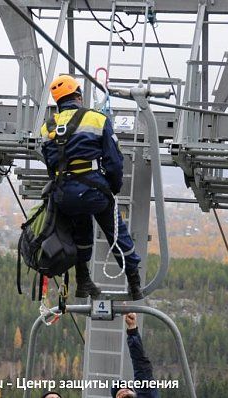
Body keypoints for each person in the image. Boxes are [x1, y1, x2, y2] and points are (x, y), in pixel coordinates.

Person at [40, 74, 143, 300]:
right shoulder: (96, 119)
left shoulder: (47, 127)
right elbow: (114, 161)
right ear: (78, 96)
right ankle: (134, 283)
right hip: (94, 191)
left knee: (80, 231)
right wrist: (112, 188)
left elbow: (50, 163)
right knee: (116, 233)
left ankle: (83, 281)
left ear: (58, 102)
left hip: (64, 195)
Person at [111, 313, 159, 398]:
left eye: (125, 390)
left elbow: (140, 365)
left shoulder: (146, 395)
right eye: (119, 395)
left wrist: (132, 330)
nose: (123, 393)